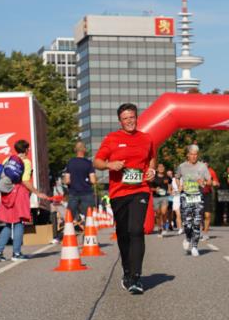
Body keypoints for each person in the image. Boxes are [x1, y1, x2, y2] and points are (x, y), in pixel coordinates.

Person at [94, 103, 157, 294]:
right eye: (125, 118)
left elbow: (152, 158)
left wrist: (152, 170)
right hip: (118, 192)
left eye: (132, 117)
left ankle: (137, 277)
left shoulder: (146, 138)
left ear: (137, 118)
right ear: (120, 121)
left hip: (140, 189)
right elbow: (97, 161)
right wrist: (109, 165)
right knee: (123, 234)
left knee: (136, 230)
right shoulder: (112, 139)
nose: (130, 121)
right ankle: (127, 271)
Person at [0, 140, 49, 261]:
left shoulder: (7, 160)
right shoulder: (26, 162)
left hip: (7, 194)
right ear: (26, 150)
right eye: (28, 149)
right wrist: (37, 193)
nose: (28, 151)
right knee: (19, 223)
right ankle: (16, 253)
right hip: (19, 194)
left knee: (8, 224)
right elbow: (25, 181)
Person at [176, 145, 210, 257]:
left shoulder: (202, 167)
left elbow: (209, 181)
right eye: (192, 154)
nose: (194, 156)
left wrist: (203, 183)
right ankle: (187, 238)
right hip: (186, 196)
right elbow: (177, 177)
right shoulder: (182, 166)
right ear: (188, 155)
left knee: (196, 222)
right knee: (187, 223)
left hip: (198, 197)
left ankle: (195, 246)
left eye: (196, 154)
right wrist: (179, 186)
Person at [64, 141, 97, 229]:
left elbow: (67, 180)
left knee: (69, 216)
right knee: (88, 217)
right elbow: (93, 180)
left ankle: (67, 235)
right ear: (84, 150)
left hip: (73, 192)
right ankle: (88, 237)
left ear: (75, 150)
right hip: (87, 193)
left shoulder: (70, 162)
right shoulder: (88, 163)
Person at [201, 159, 219, 241]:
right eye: (203, 162)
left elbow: (216, 183)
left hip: (207, 194)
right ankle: (201, 229)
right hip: (197, 194)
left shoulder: (211, 171)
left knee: (207, 215)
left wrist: (215, 183)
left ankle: (205, 233)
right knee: (199, 214)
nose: (204, 164)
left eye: (206, 162)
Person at [150, 162, 169, 237]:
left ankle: (164, 226)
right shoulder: (154, 178)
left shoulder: (167, 177)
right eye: (159, 167)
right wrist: (155, 189)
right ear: (157, 169)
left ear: (164, 168)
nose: (161, 168)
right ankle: (159, 228)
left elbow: (170, 184)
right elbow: (150, 188)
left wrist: (170, 189)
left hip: (164, 197)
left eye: (162, 167)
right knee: (158, 214)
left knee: (164, 212)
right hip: (156, 197)